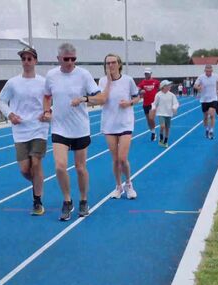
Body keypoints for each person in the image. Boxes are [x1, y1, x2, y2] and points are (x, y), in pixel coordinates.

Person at [43, 43, 105, 221]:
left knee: (80, 168)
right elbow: (47, 96)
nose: (70, 62)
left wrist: (84, 98)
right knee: (60, 166)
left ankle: (84, 200)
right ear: (58, 59)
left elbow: (100, 97)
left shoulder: (84, 75)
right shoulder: (51, 75)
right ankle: (67, 200)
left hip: (80, 128)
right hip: (59, 127)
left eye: (73, 59)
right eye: (66, 59)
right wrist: (47, 111)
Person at [0, 46, 50, 215]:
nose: (26, 62)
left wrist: (49, 112)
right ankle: (38, 183)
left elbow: (54, 100)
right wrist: (10, 115)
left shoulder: (43, 82)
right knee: (25, 170)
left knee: (36, 163)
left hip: (39, 128)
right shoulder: (13, 83)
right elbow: (2, 101)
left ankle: (37, 201)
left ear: (35, 61)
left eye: (29, 59)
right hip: (20, 130)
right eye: (24, 59)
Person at [98, 53, 140, 200]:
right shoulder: (103, 81)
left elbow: (137, 96)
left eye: (113, 62)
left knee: (122, 158)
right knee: (115, 159)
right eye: (108, 63)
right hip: (109, 124)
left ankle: (128, 183)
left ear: (119, 64)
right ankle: (118, 186)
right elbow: (101, 100)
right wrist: (109, 82)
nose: (111, 65)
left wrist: (129, 103)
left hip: (125, 122)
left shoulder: (128, 80)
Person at [150, 80, 179, 147]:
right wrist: (153, 108)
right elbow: (154, 103)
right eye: (168, 85)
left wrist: (174, 108)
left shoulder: (172, 95)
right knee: (162, 126)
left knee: (167, 128)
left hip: (168, 113)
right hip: (161, 113)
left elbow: (176, 103)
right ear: (163, 87)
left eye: (169, 85)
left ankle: (166, 140)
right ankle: (161, 137)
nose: (169, 86)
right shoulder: (158, 95)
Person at [194, 64, 218, 139]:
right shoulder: (201, 77)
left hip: (213, 98)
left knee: (211, 114)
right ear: (205, 71)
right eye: (207, 71)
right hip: (204, 99)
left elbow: (217, 84)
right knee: (205, 117)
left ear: (212, 71)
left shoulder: (215, 76)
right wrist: (198, 88)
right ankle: (207, 129)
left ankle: (211, 130)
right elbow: (195, 85)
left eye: (210, 71)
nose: (209, 72)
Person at [137, 68, 160, 141]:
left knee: (151, 118)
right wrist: (140, 91)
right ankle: (153, 132)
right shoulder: (143, 82)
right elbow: (136, 89)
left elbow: (161, 89)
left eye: (147, 73)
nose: (146, 75)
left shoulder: (156, 82)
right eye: (145, 73)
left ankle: (153, 133)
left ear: (151, 73)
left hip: (153, 103)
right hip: (145, 103)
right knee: (148, 120)